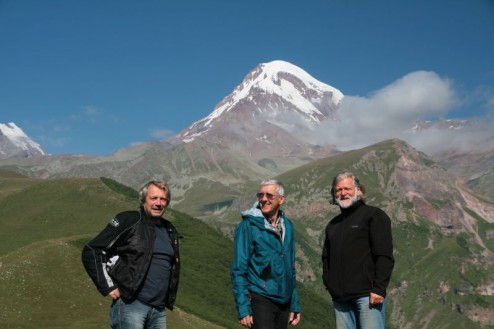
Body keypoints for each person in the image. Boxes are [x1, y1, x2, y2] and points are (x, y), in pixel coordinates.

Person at [82, 180, 180, 329]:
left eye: (163, 199)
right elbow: (92, 250)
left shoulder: (169, 229)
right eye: (153, 198)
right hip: (131, 304)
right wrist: (107, 286)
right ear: (143, 200)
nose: (158, 203)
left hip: (158, 309)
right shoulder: (129, 220)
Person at [322, 171, 394, 329]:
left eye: (347, 188)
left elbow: (384, 255)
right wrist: (329, 284)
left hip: (367, 297)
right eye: (338, 190)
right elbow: (326, 258)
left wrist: (379, 289)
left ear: (358, 190)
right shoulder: (332, 225)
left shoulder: (374, 215)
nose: (343, 193)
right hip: (340, 300)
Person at [231, 179, 301, 329]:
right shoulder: (248, 226)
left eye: (269, 195)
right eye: (260, 195)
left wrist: (294, 303)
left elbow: (291, 267)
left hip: (283, 300)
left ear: (281, 199)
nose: (263, 199)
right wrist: (243, 308)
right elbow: (239, 269)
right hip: (260, 297)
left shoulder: (287, 225)